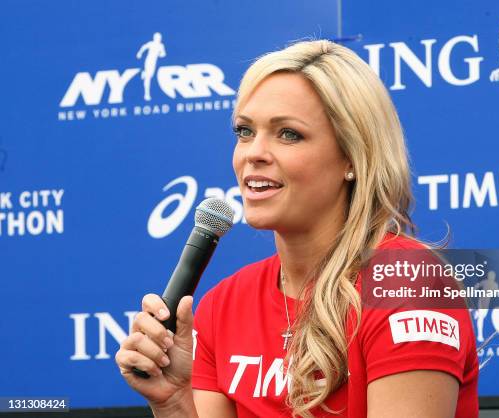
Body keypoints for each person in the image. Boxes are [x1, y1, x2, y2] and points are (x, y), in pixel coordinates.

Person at [116, 39, 479, 418]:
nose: (253, 153)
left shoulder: (406, 282)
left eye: (288, 133)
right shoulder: (223, 305)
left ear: (352, 158)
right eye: (244, 131)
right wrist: (174, 402)